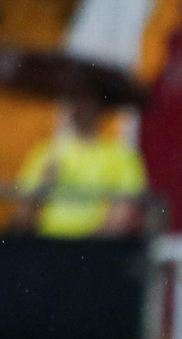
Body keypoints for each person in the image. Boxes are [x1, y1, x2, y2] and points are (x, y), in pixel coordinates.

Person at [14, 90, 147, 238]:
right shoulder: (45, 153)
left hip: (98, 251)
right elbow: (24, 216)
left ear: (100, 106)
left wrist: (86, 246)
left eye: (85, 99)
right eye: (72, 99)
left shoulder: (122, 156)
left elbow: (122, 214)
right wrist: (44, 185)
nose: (77, 106)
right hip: (46, 246)